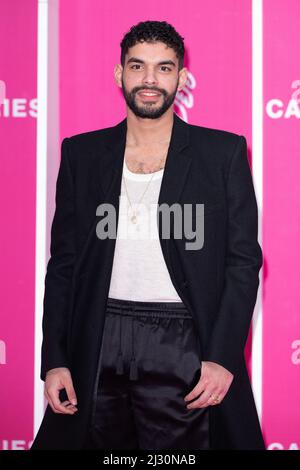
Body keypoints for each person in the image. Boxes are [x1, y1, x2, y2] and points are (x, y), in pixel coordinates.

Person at [31, 20, 265, 450]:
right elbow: (63, 265)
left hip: (183, 340)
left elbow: (243, 263)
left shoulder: (222, 154)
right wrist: (55, 359)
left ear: (181, 77)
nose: (150, 80)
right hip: (99, 334)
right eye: (138, 67)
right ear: (120, 74)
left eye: (164, 68)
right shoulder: (81, 155)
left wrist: (222, 356)